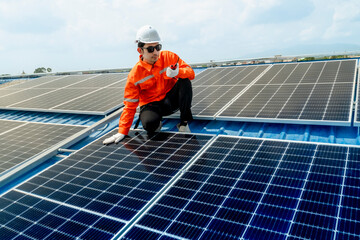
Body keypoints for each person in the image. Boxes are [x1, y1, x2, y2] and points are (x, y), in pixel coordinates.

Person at [103, 25, 195, 144]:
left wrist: (178, 72)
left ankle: (183, 124)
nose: (156, 52)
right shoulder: (135, 75)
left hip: (170, 101)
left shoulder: (168, 57)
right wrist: (123, 130)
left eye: (158, 47)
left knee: (185, 81)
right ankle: (157, 123)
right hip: (152, 105)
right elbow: (130, 105)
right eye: (150, 49)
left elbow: (191, 73)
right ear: (140, 50)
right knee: (149, 124)